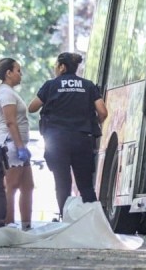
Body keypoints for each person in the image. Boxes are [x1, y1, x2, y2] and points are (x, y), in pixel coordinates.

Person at [28, 52, 108, 217]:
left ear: (62, 67)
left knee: (62, 183)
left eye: (56, 66)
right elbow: (103, 111)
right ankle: (93, 222)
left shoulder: (51, 85)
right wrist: (92, 122)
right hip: (82, 140)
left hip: (57, 142)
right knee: (85, 185)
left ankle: (66, 220)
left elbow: (32, 107)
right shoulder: (88, 85)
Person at [0, 58, 34, 230]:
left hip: (18, 145)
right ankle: (8, 226)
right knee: (11, 186)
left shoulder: (8, 92)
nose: (20, 74)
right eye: (18, 70)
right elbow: (10, 122)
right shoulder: (6, 94)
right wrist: (20, 146)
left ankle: (26, 226)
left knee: (28, 186)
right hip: (11, 145)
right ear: (8, 73)